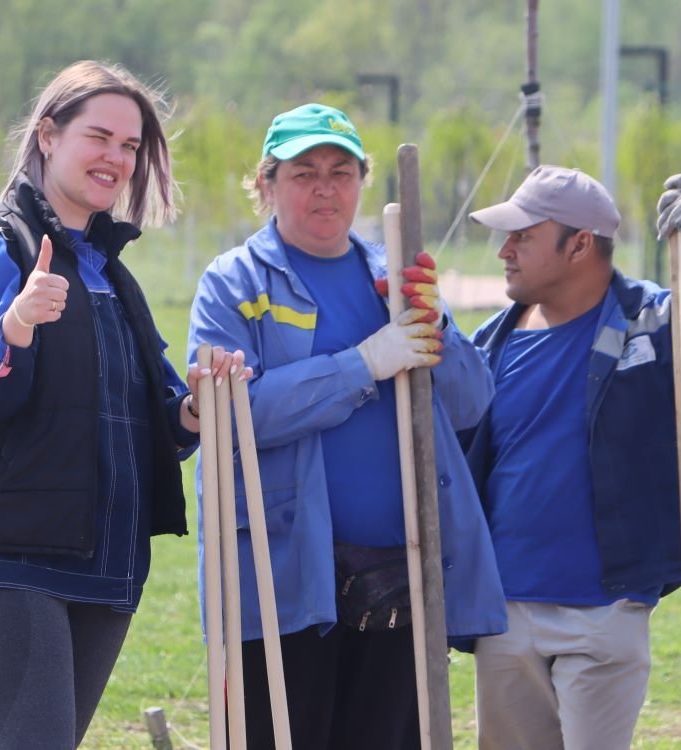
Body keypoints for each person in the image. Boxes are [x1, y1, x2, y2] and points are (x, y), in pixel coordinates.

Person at [0, 60, 247, 749]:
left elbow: (153, 421)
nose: (117, 157)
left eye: (131, 145)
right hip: (5, 553)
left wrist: (198, 410)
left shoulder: (110, 271)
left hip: (104, 558)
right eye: (101, 136)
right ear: (49, 136)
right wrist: (16, 323)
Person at [187, 102, 507, 749]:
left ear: (362, 182)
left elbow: (472, 403)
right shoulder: (233, 284)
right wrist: (363, 364)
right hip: (284, 578)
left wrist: (435, 326)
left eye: (341, 171)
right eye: (304, 172)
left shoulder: (390, 276)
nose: (325, 188)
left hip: (400, 570)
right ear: (267, 184)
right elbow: (234, 415)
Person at [463, 166, 681, 750]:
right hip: (504, 612)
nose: (504, 250)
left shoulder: (653, 326)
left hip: (603, 611)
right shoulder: (489, 342)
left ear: (579, 244)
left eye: (522, 236)